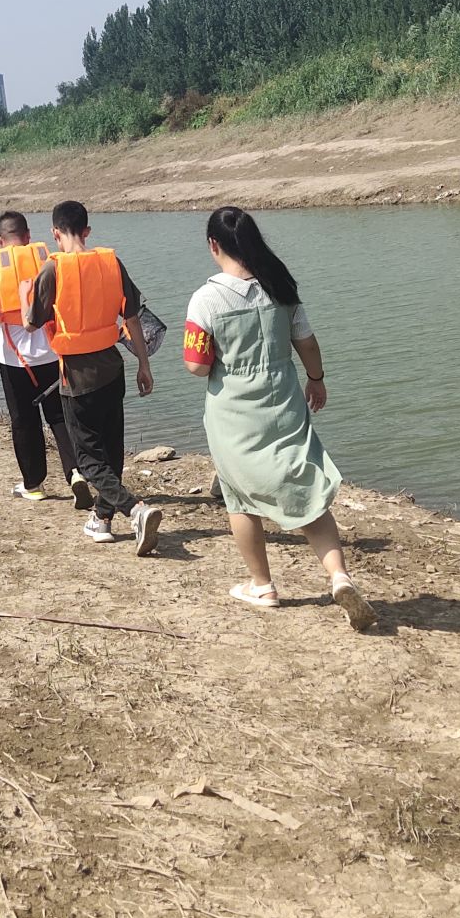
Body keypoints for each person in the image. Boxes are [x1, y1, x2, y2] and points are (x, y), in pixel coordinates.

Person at [183, 206, 374, 630]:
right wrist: (316, 380)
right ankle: (339, 577)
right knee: (306, 488)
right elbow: (307, 342)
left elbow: (195, 365)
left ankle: (262, 586)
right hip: (284, 400)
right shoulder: (281, 286)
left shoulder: (206, 299)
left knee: (239, 496)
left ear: (213, 245)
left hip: (233, 411)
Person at [23, 201, 163, 553]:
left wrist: (26, 295)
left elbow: (31, 322)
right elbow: (132, 318)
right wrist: (144, 365)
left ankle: (135, 510)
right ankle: (102, 519)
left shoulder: (52, 269)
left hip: (76, 378)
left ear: (55, 233)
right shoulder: (111, 262)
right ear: (86, 230)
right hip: (113, 370)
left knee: (87, 459)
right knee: (111, 449)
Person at [0, 211, 81, 502]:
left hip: (14, 362)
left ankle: (33, 485)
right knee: (60, 417)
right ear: (28, 236)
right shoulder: (50, 262)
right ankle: (76, 474)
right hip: (53, 355)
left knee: (24, 422)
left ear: (0, 240)